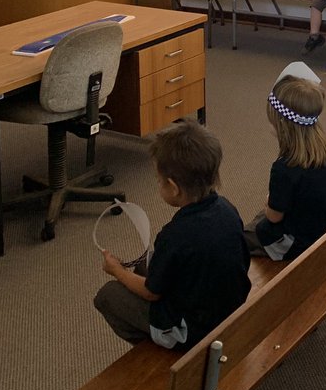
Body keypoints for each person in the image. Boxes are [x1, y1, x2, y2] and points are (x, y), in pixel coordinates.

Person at [94, 119, 250, 349]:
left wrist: (116, 270)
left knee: (108, 295)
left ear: (173, 187)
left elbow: (150, 294)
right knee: (145, 267)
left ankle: (158, 350)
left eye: (158, 181)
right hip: (228, 307)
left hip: (194, 329)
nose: (158, 185)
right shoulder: (227, 209)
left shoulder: (174, 236)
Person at [245, 65, 326, 261]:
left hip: (296, 244)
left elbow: (274, 217)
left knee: (239, 238)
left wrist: (269, 202)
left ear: (281, 124)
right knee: (258, 220)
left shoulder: (285, 167)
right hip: (322, 230)